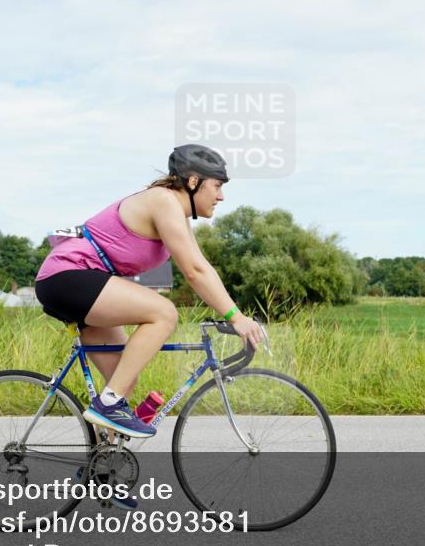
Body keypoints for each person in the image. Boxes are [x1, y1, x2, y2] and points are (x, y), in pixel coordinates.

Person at [35, 144, 266, 440]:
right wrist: (236, 317)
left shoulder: (175, 214)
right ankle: (108, 405)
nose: (221, 196)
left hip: (79, 282)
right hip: (67, 276)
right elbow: (193, 272)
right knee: (164, 313)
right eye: (217, 186)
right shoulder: (163, 201)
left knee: (123, 381)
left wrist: (236, 314)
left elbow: (202, 267)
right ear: (193, 182)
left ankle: (100, 466)